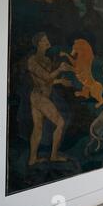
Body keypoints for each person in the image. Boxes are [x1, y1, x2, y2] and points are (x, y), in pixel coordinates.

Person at [28, 32, 73, 166]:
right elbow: (47, 78)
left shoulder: (47, 60)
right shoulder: (32, 61)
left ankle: (32, 159)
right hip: (39, 97)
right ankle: (53, 156)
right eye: (44, 40)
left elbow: (47, 81)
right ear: (38, 44)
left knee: (38, 128)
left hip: (41, 96)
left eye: (47, 39)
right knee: (60, 122)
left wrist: (59, 81)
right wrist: (59, 70)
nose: (47, 42)